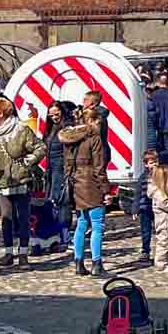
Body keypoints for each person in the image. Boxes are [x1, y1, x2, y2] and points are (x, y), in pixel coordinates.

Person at [0, 97, 46, 270]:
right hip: (1, 180)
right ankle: (8, 253)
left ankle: (23, 254)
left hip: (21, 179)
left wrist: (30, 160)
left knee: (23, 218)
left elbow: (40, 148)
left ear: (2, 114)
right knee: (6, 219)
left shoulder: (21, 130)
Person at [56, 92, 111, 276]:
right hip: (91, 183)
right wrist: (106, 189)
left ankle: (78, 262)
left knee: (81, 222)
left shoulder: (70, 138)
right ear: (94, 121)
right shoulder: (94, 137)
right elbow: (99, 166)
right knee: (97, 225)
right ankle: (97, 263)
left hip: (76, 182)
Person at [36, 102, 76, 259]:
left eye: (56, 114)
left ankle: (65, 235)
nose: (53, 117)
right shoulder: (50, 129)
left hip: (63, 168)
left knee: (63, 201)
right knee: (52, 202)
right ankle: (56, 234)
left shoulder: (68, 127)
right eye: (51, 115)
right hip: (51, 169)